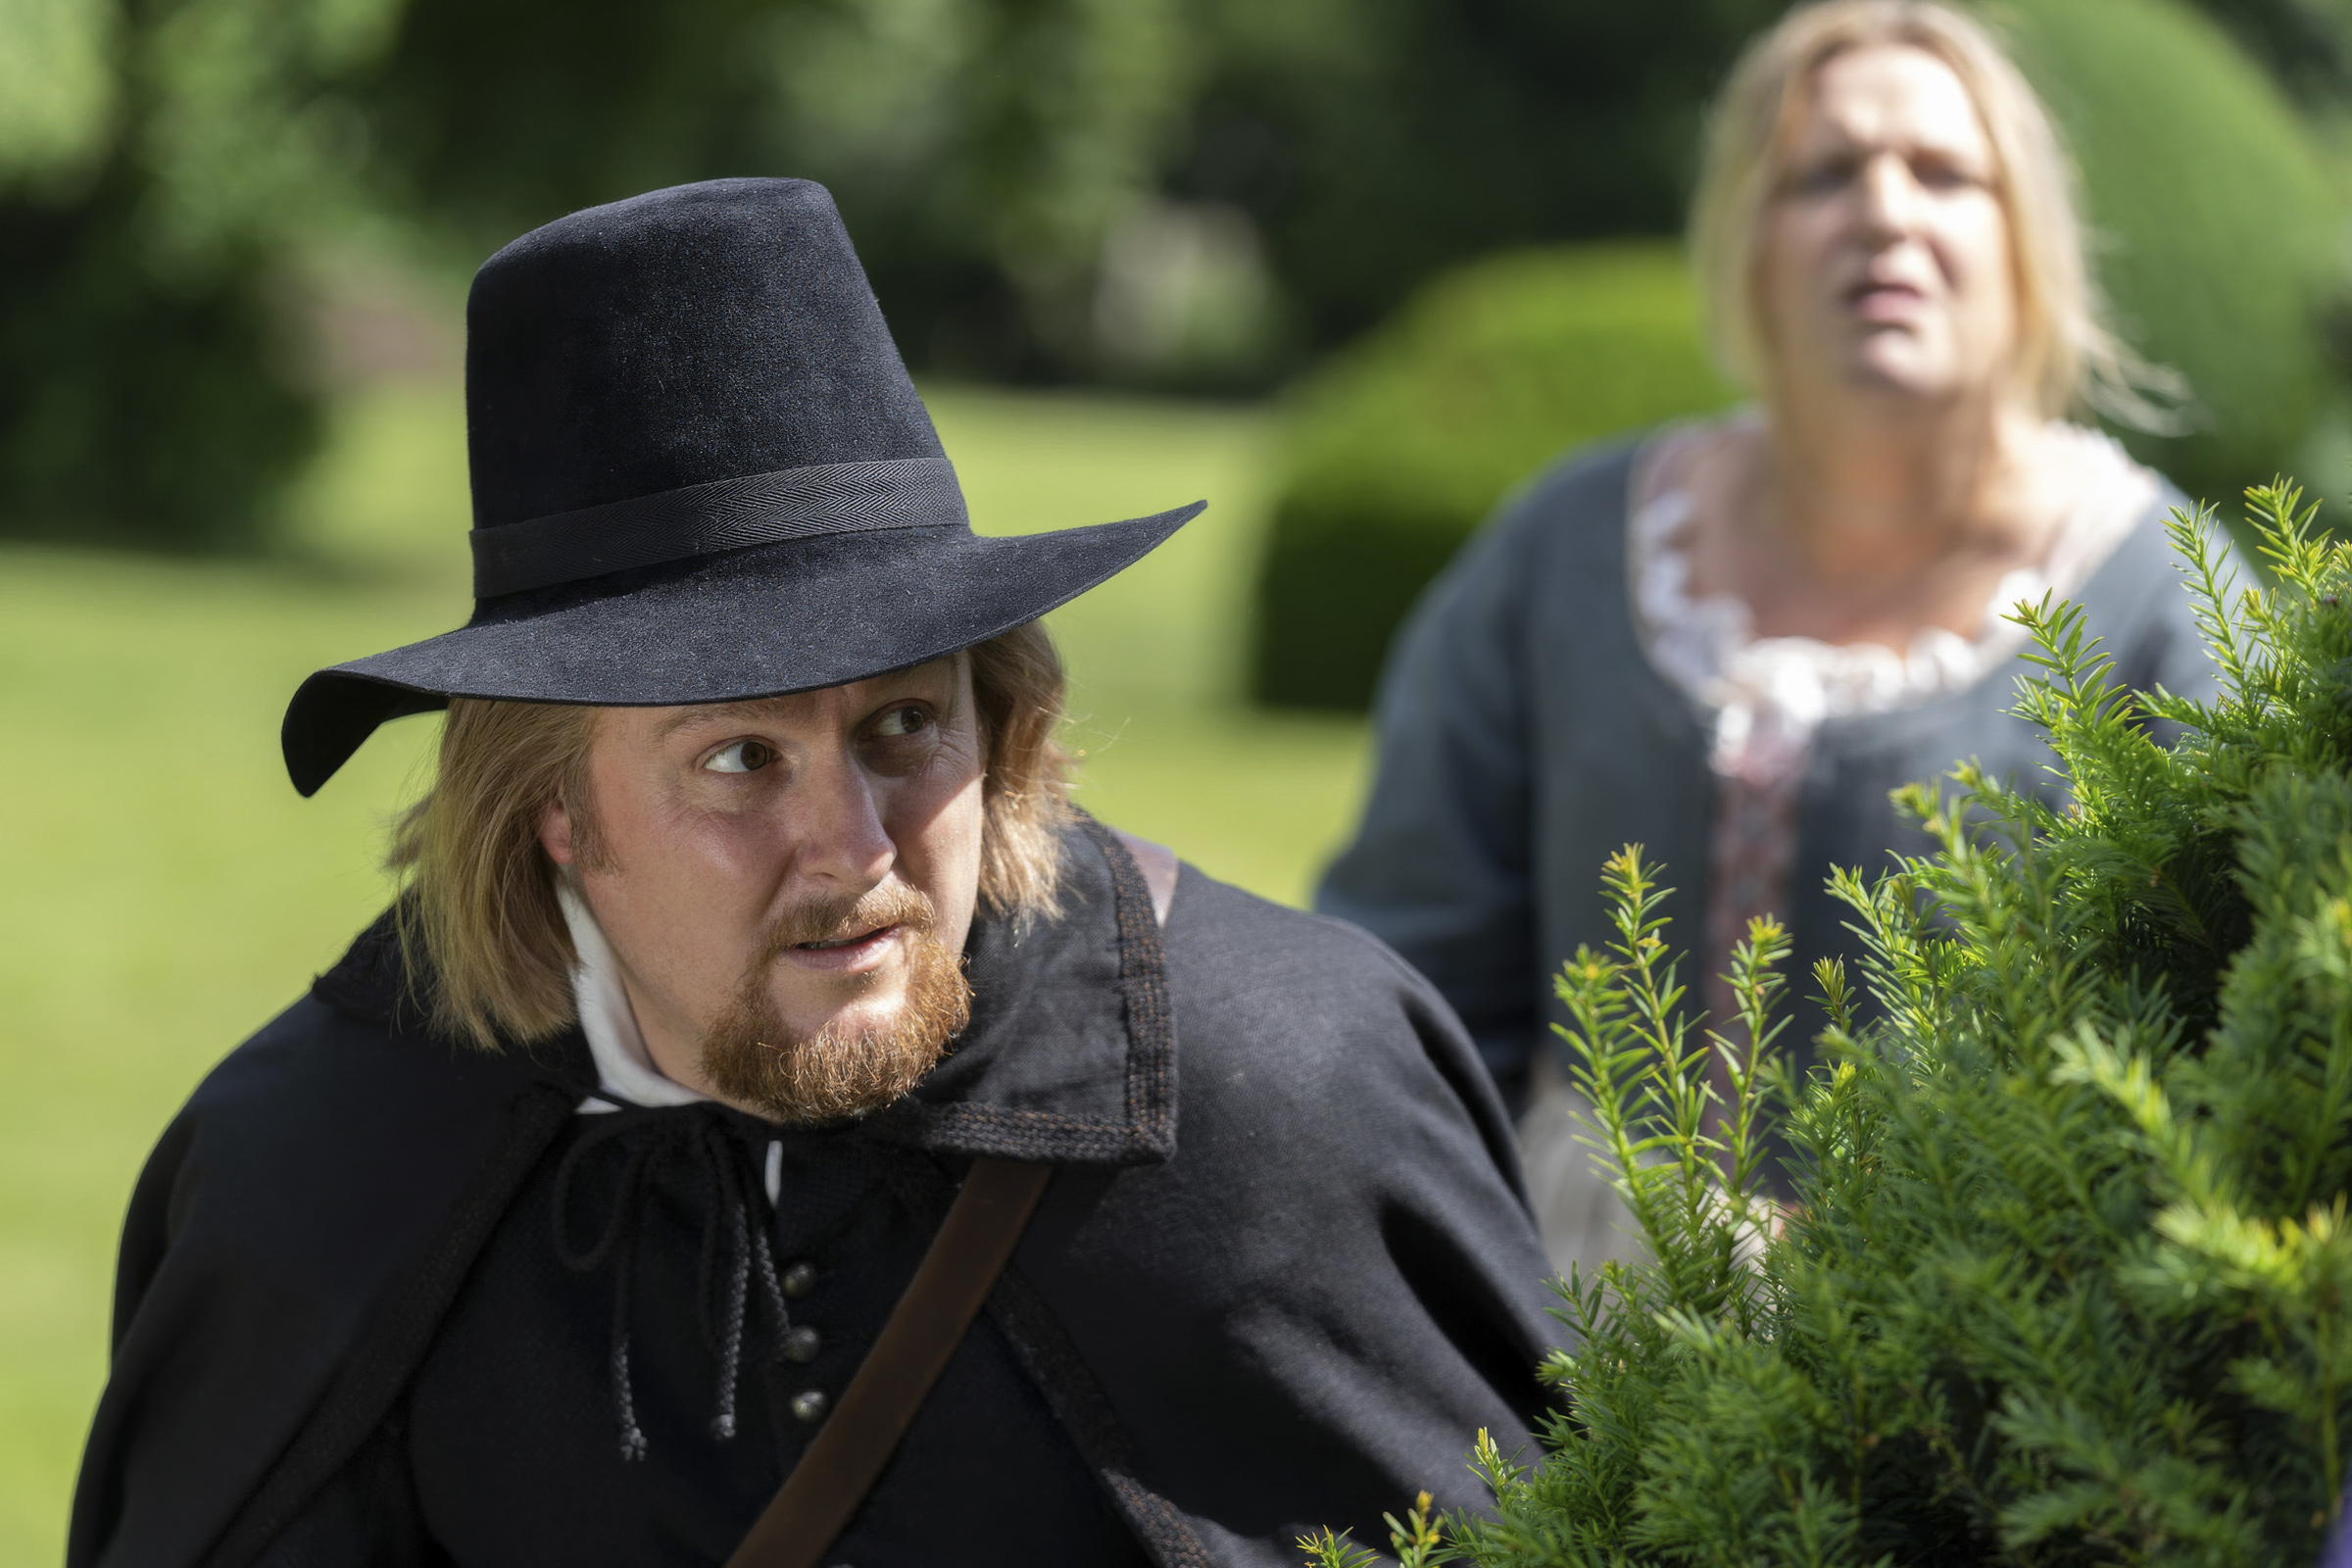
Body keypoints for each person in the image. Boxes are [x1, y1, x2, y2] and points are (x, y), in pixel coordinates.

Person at [68, 179, 1557, 1568]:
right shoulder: (319, 1171)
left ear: (1001, 723)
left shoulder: (1284, 1096)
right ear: (553, 812)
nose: (854, 848)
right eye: (740, 759)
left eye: (904, 725)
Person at [1317, 0, 2217, 1272]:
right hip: (1568, 1309)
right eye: (1824, 174)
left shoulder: (2158, 599)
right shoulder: (1575, 548)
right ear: (1751, 237)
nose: (1885, 212)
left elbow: (2232, 1050)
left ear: (2025, 235)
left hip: (1991, 1323)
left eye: (1944, 172)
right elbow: (1409, 973)